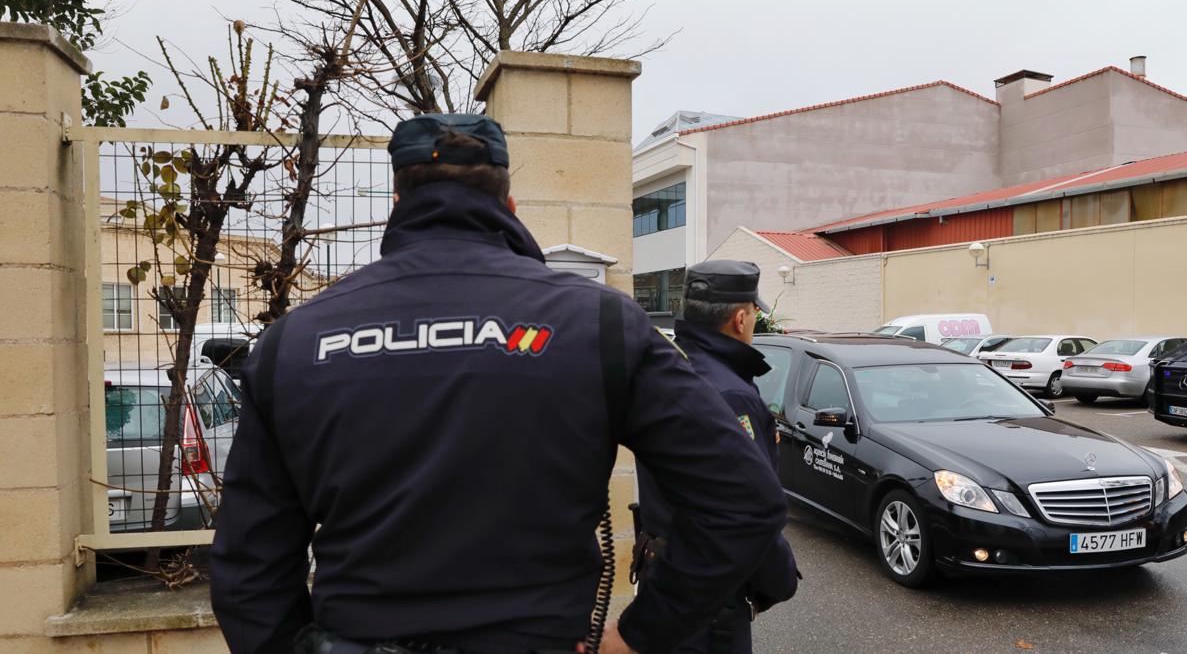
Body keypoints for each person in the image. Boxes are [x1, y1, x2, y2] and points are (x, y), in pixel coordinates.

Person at [210, 114, 788, 654]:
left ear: (396, 202)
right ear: (508, 204)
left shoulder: (295, 341)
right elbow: (742, 498)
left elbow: (247, 566)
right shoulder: (600, 325)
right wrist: (645, 632)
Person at [634, 260, 800, 654]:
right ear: (740, 318)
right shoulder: (731, 394)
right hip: (706, 605)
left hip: (664, 582)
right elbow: (747, 513)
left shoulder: (670, 368)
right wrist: (782, 580)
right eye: (755, 313)